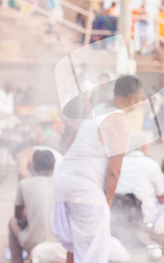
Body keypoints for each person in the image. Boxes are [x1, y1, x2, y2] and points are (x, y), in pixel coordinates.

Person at [52, 76, 139, 263]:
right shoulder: (119, 121)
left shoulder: (95, 112)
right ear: (132, 96)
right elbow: (114, 170)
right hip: (85, 191)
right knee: (92, 254)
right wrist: (106, 203)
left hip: (63, 182)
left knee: (76, 247)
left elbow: (69, 144)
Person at [8, 150, 64, 263]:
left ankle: (17, 260)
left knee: (12, 222)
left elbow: (18, 215)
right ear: (53, 167)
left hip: (34, 242)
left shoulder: (24, 184)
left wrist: (31, 213)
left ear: (33, 167)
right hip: (63, 242)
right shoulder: (63, 183)